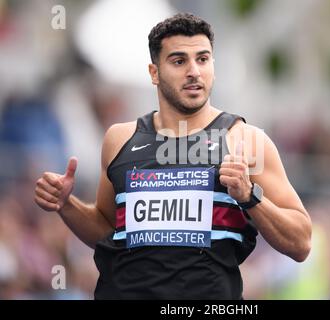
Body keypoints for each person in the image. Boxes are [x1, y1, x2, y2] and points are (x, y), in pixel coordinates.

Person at [34, 13, 312, 299]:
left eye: (203, 59)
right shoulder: (120, 139)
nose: (194, 71)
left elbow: (301, 242)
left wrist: (250, 195)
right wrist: (66, 205)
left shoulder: (245, 140)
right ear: (154, 72)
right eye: (179, 61)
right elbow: (108, 232)